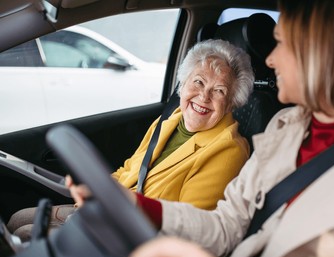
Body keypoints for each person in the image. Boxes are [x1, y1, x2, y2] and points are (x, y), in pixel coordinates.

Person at [124, 0, 334, 257]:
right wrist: (138, 207)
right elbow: (227, 225)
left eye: (281, 44)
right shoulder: (283, 126)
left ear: (322, 54)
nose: (271, 60)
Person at [7, 38, 254, 241]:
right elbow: (130, 169)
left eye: (219, 91)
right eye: (198, 81)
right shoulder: (171, 120)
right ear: (183, 82)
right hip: (113, 210)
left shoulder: (228, 149)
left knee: (27, 235)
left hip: (141, 235)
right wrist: (98, 197)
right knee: (18, 219)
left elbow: (189, 227)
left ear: (232, 102)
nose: (203, 96)